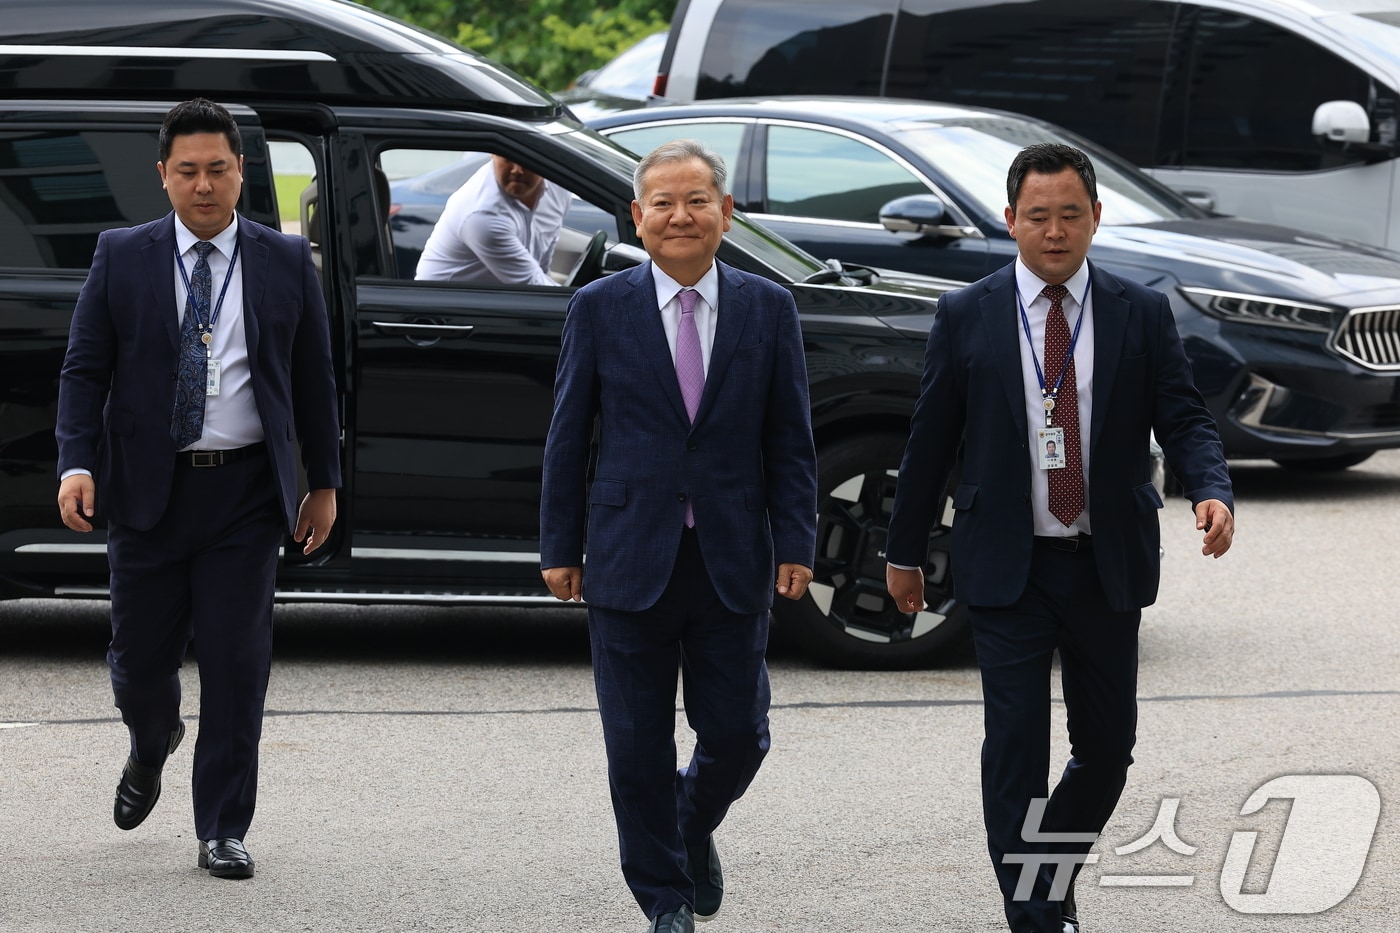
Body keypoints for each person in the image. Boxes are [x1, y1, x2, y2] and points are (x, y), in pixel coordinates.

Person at [884, 143, 1234, 933]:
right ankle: (1037, 915)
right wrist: (903, 552)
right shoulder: (966, 313)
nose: (1053, 231)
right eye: (1037, 216)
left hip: (1103, 562)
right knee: (1015, 746)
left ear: (1095, 218)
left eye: (1070, 214)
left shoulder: (1138, 311)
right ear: (1009, 220)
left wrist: (1211, 489)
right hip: (1009, 564)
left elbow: (1182, 415)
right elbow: (930, 442)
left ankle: (1046, 879)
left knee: (1106, 750)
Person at [55, 98, 341, 880]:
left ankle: (222, 826)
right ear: (164, 176)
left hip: (246, 494)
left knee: (236, 663)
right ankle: (152, 741)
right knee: (138, 665)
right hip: (148, 491)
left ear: (242, 172)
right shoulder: (122, 254)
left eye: (219, 168)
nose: (205, 185)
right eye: (189, 171)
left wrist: (324, 482)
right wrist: (75, 462)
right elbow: (85, 371)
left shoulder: (285, 260)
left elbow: (313, 380)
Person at [539, 139, 818, 933]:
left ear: (726, 213)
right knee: (634, 744)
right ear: (637, 215)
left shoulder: (769, 308)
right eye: (662, 202)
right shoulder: (600, 306)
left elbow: (790, 441)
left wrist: (796, 538)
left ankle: (688, 828)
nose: (680, 216)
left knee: (739, 734)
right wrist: (561, 544)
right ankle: (665, 900)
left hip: (732, 555)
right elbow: (569, 435)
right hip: (628, 555)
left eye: (697, 200)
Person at [415, 154, 572, 285]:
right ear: (493, 156)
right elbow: (533, 286)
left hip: (496, 300)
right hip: (446, 311)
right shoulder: (482, 215)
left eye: (527, 161)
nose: (517, 170)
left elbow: (541, 268)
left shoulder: (559, 190)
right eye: (508, 159)